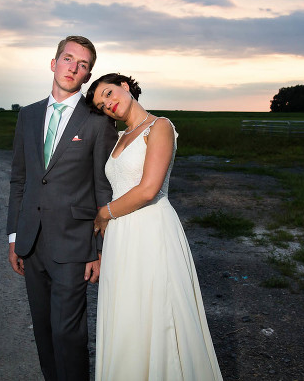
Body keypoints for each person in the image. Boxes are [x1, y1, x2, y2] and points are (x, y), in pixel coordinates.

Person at [85, 73, 223, 380]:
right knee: (129, 316)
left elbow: (148, 189)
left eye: (109, 93)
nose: (109, 104)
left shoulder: (160, 126)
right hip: (122, 238)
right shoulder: (121, 137)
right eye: (102, 104)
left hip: (151, 231)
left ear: (125, 86)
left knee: (158, 313)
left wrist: (103, 214)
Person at [7, 36, 118, 381]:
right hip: (30, 242)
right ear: (53, 63)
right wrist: (14, 236)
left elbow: (104, 188)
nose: (73, 68)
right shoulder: (27, 116)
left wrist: (98, 249)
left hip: (74, 246)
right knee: (43, 331)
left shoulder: (97, 122)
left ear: (87, 76)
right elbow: (20, 181)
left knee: (67, 335)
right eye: (68, 59)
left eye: (82, 65)